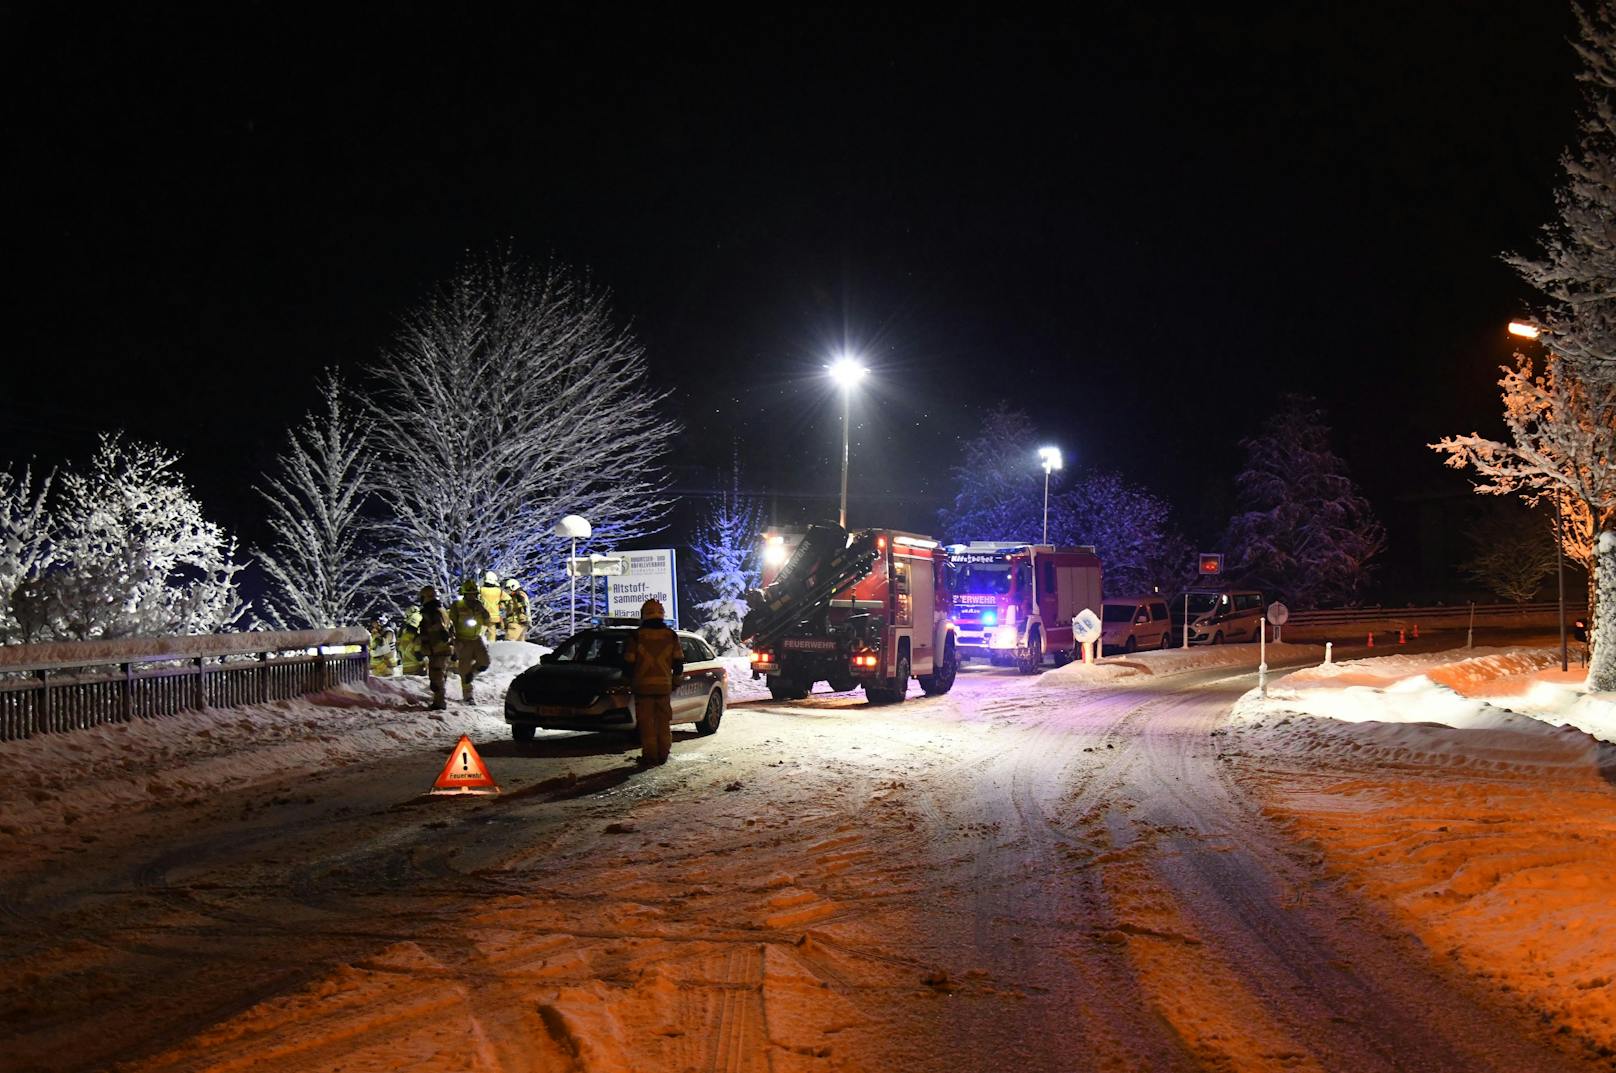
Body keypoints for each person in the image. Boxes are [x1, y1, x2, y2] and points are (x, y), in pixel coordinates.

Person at [623, 598, 683, 766]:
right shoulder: (671, 635)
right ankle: (663, 753)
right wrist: (675, 679)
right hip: (664, 687)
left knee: (647, 724)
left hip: (643, 687)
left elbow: (629, 661)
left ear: (644, 615)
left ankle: (650, 756)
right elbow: (678, 662)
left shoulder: (636, 636)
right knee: (663, 722)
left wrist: (627, 679)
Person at [451, 578, 492, 702]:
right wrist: (454, 641)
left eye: (474, 594)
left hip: (476, 639)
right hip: (462, 640)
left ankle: (472, 674)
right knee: (464, 668)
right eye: (469, 594)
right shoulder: (457, 606)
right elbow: (450, 623)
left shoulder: (479, 605)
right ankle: (468, 696)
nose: (472, 596)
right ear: (464, 594)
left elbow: (487, 621)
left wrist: (485, 613)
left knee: (485, 662)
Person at [416, 586, 455, 710]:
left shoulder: (433, 612)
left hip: (439, 650)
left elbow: (439, 630)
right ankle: (438, 700)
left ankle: (439, 703)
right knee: (439, 676)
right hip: (440, 649)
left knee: (437, 677)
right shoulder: (440, 610)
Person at [478, 570, 505, 643]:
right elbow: (507, 599)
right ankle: (492, 646)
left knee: (480, 631)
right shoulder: (499, 591)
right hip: (494, 616)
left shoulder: (481, 590)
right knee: (492, 632)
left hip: (482, 615)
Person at [398, 606, 425, 675]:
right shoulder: (416, 637)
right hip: (416, 669)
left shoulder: (402, 635)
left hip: (405, 668)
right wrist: (423, 664)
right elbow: (417, 652)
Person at [502, 577, 530, 641]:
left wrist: (522, 618)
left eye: (508, 588)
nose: (507, 591)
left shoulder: (518, 595)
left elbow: (522, 607)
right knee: (519, 644)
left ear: (513, 586)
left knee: (509, 643)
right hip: (520, 622)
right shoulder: (519, 595)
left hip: (516, 622)